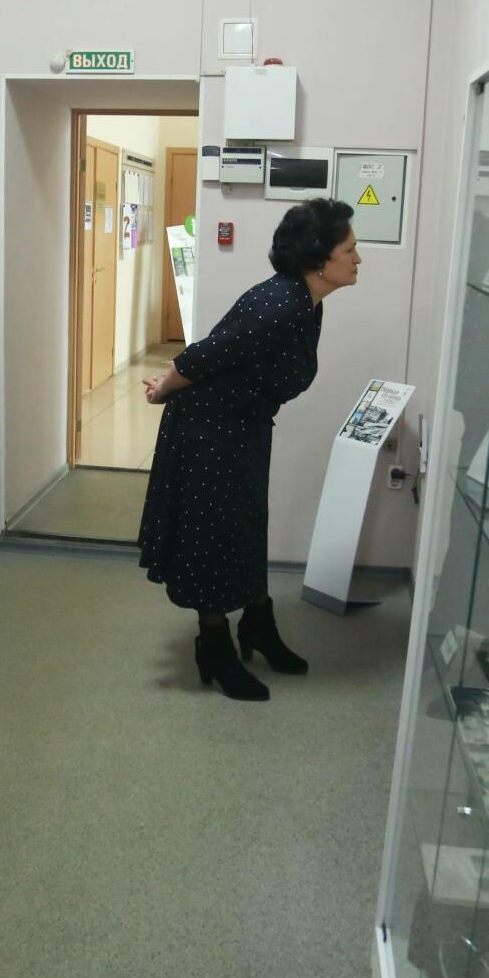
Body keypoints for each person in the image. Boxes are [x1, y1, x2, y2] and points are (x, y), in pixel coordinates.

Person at [138, 198, 361, 702]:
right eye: (349, 249)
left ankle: (257, 624)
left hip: (244, 426)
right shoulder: (280, 304)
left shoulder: (306, 300)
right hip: (210, 429)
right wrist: (165, 386)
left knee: (246, 523)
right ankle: (214, 645)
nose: (358, 258)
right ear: (318, 259)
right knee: (213, 533)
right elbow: (206, 353)